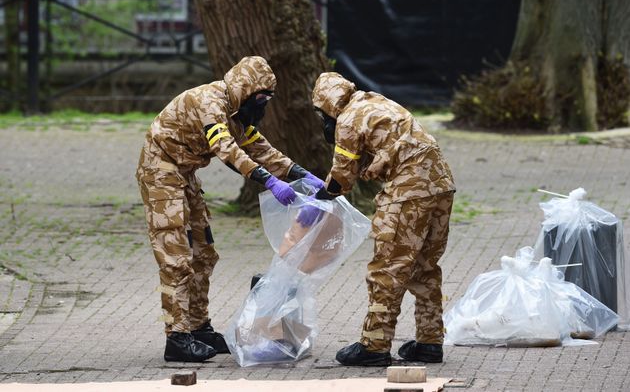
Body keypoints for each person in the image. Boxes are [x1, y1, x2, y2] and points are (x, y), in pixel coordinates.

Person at [135, 56, 324, 362]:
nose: (262, 106)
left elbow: (260, 149)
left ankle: (198, 326)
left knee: (205, 253)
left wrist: (301, 175)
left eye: (266, 100)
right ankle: (177, 337)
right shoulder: (211, 102)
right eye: (260, 99)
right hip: (161, 169)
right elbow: (226, 148)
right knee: (177, 256)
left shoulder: (238, 113)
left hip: (184, 173)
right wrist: (269, 182)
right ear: (244, 90)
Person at [303, 72, 456, 366]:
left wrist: (321, 197)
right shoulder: (375, 101)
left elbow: (343, 176)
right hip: (441, 185)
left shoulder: (347, 119)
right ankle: (430, 342)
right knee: (425, 266)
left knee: (388, 268)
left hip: (408, 192)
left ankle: (374, 346)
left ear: (326, 106)